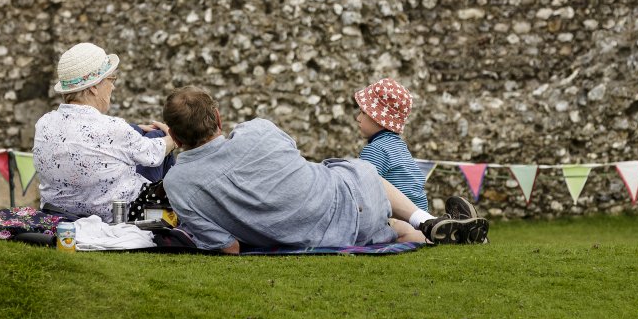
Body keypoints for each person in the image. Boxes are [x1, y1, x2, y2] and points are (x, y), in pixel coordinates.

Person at [160, 86, 488, 253]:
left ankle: (432, 231)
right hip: (350, 200)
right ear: (218, 118)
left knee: (390, 229)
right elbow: (292, 158)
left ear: (174, 135)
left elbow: (228, 247)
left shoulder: (178, 184)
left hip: (318, 237)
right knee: (356, 171)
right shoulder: (258, 130)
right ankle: (428, 223)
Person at [33, 42, 176, 221]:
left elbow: (83, 135)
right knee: (157, 137)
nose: (113, 87)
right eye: (111, 79)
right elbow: (155, 153)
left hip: (59, 212)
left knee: (139, 134)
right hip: (115, 214)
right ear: (94, 86)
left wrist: (134, 129)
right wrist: (172, 138)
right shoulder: (113, 128)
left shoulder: (44, 123)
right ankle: (176, 215)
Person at [354, 77, 430, 213]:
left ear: (378, 118)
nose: (358, 118)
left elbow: (363, 191)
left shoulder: (375, 149)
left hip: (398, 218)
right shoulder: (400, 147)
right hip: (421, 217)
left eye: (363, 113)